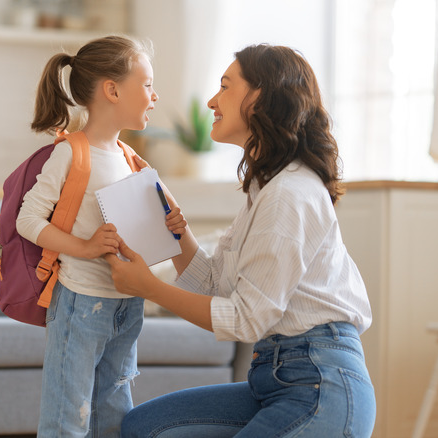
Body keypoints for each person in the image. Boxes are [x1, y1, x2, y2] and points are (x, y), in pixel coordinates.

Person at [105, 44, 376, 438]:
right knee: (143, 428)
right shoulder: (265, 189)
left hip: (319, 383)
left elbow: (246, 319)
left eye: (226, 87)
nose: (213, 100)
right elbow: (217, 286)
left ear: (261, 96)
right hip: (275, 379)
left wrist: (150, 288)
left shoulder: (289, 194)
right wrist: (178, 235)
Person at [16, 35, 158, 438]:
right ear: (112, 90)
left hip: (127, 306)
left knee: (113, 415)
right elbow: (28, 220)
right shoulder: (71, 153)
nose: (155, 95)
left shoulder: (132, 160)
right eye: (146, 84)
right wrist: (85, 247)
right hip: (81, 303)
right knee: (67, 417)